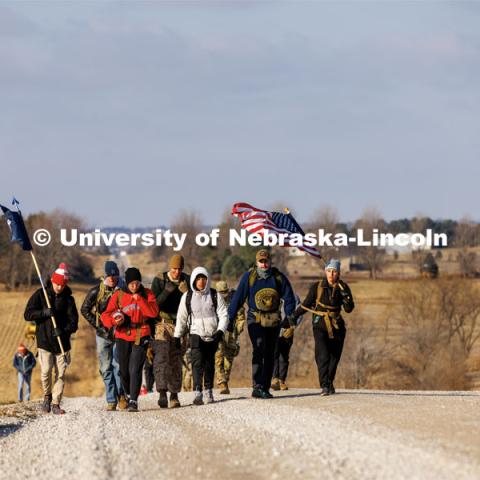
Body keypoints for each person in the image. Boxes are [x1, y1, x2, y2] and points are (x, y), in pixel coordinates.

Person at [228, 249, 296, 399]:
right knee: (259, 348)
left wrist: (289, 317)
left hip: (273, 320)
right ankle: (257, 386)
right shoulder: (249, 277)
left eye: (266, 261)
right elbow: (238, 298)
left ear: (270, 261)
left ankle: (265, 387)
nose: (264, 264)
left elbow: (290, 298)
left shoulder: (278, 277)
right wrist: (230, 318)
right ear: (257, 262)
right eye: (261, 261)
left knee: (270, 353)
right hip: (255, 319)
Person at [286, 259, 354, 395]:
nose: (331, 274)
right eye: (329, 271)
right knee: (322, 355)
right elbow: (305, 305)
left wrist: (347, 297)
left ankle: (329, 382)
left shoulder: (343, 287)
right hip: (320, 325)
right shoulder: (317, 287)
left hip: (337, 326)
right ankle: (324, 385)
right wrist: (292, 317)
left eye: (334, 271)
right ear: (325, 271)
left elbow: (348, 309)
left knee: (334, 358)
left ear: (338, 273)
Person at [101, 267, 159, 412]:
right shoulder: (119, 295)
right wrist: (115, 321)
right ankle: (126, 394)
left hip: (141, 333)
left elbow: (153, 312)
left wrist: (139, 299)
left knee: (135, 369)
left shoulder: (147, 294)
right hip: (122, 334)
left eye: (137, 283)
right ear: (126, 283)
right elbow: (105, 315)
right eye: (131, 283)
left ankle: (133, 400)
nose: (134, 286)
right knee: (124, 370)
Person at [24, 263, 78, 414]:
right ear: (52, 281)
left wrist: (63, 331)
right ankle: (47, 396)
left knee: (60, 374)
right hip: (45, 341)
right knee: (46, 371)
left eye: (62, 284)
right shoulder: (41, 295)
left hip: (62, 344)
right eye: (57, 284)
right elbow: (27, 314)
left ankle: (56, 403)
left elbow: (74, 323)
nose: (59, 287)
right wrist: (44, 313)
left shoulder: (69, 300)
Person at [174, 267, 228, 405]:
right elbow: (181, 318)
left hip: (212, 334)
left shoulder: (215, 295)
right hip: (195, 333)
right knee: (197, 363)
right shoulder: (187, 297)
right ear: (193, 280)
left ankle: (208, 390)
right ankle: (197, 392)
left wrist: (220, 331)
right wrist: (177, 336)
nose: (201, 282)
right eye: (198, 279)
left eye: (203, 278)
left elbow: (223, 315)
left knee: (209, 363)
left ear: (208, 279)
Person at [81, 261, 126, 411]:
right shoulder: (96, 291)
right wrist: (98, 325)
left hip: (120, 333)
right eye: (109, 275)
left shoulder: (124, 289)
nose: (112, 278)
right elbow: (85, 309)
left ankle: (122, 396)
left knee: (118, 365)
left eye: (114, 275)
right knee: (106, 367)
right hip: (102, 335)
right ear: (104, 275)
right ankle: (111, 399)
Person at [151, 254, 190, 408]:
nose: (176, 272)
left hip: (180, 324)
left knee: (175, 359)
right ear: (170, 267)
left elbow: (194, 303)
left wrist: (187, 292)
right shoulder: (160, 279)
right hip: (162, 323)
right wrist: (166, 292)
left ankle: (174, 395)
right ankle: (162, 392)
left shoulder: (186, 280)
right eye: (174, 269)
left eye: (179, 269)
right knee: (161, 356)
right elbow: (154, 306)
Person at [214, 280, 246, 394]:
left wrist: (237, 330)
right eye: (220, 292)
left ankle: (225, 380)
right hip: (218, 332)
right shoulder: (213, 300)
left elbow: (241, 318)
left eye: (224, 292)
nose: (223, 295)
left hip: (231, 333)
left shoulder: (234, 300)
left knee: (228, 358)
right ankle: (221, 382)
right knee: (218, 356)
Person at [271, 294, 303, 391]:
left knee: (284, 355)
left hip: (287, 329)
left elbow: (299, 313)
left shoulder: (294, 297)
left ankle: (282, 381)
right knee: (274, 353)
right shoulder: (272, 293)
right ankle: (274, 379)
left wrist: (293, 327)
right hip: (274, 328)